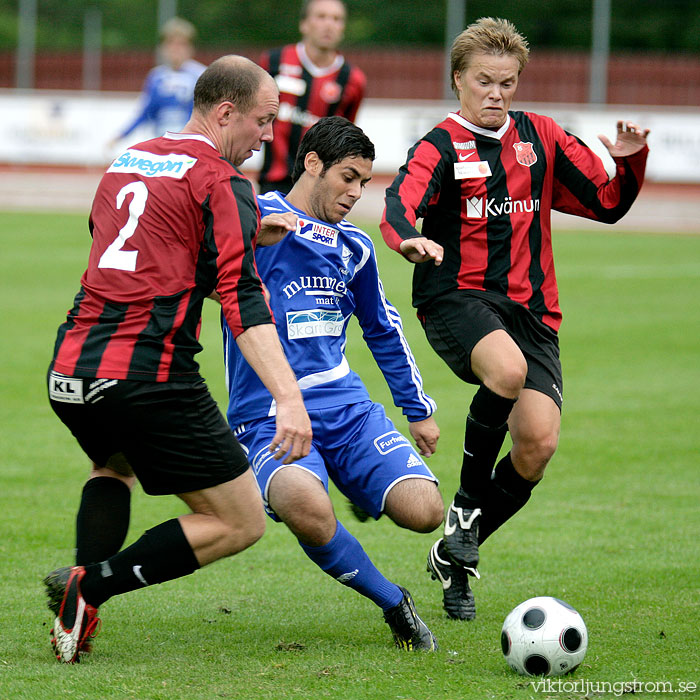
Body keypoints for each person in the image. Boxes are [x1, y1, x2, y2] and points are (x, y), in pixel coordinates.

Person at [44, 55, 312, 664]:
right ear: (225, 112)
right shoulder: (219, 180)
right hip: (148, 373)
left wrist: (237, 232)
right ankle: (90, 585)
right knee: (239, 521)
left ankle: (74, 618)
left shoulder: (127, 160)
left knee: (113, 466)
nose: (267, 136)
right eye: (263, 121)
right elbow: (242, 301)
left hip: (70, 369)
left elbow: (135, 249)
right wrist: (288, 399)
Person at [380, 17, 649, 621]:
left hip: (533, 311)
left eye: (507, 82)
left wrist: (630, 163)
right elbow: (398, 204)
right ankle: (467, 512)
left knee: (536, 446)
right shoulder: (439, 145)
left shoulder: (541, 137)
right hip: (456, 296)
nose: (496, 93)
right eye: (484, 81)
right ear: (459, 81)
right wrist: (408, 242)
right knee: (504, 371)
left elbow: (606, 204)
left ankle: (455, 557)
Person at [222, 116, 443, 651]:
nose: (355, 192)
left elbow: (383, 328)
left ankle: (348, 470)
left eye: (364, 182)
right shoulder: (254, 220)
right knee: (305, 505)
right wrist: (253, 233)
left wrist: (417, 408)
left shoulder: (355, 247)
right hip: (270, 413)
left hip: (346, 407)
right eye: (348, 177)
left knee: (425, 512)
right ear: (313, 163)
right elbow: (196, 264)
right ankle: (394, 602)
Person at [257, 0, 365, 195]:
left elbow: (345, 134)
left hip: (320, 187)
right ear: (304, 24)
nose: (329, 24)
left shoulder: (352, 79)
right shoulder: (274, 62)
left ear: (343, 27)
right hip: (274, 181)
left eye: (336, 19)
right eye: (321, 16)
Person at [110, 17, 206, 146]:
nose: (176, 49)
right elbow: (146, 112)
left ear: (190, 47)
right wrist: (121, 136)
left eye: (181, 44)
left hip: (191, 145)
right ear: (163, 47)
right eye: (171, 43)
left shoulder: (202, 75)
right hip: (163, 144)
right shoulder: (156, 77)